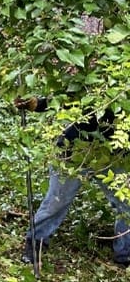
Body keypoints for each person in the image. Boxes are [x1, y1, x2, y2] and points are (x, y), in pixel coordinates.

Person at [16, 97, 128, 267]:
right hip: (73, 150)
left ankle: (125, 254)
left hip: (113, 155)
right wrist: (36, 104)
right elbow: (66, 98)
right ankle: (35, 243)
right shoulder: (102, 87)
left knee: (126, 202)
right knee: (57, 201)